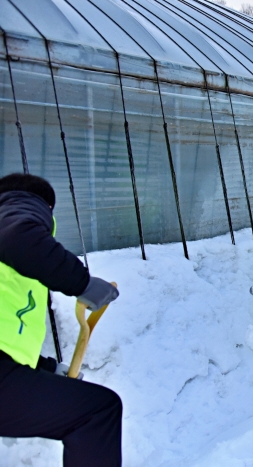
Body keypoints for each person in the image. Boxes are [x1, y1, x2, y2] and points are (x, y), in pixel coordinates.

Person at [0, 173, 122, 467]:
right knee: (97, 411)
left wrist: (47, 367)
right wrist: (83, 283)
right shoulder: (17, 202)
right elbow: (18, 237)